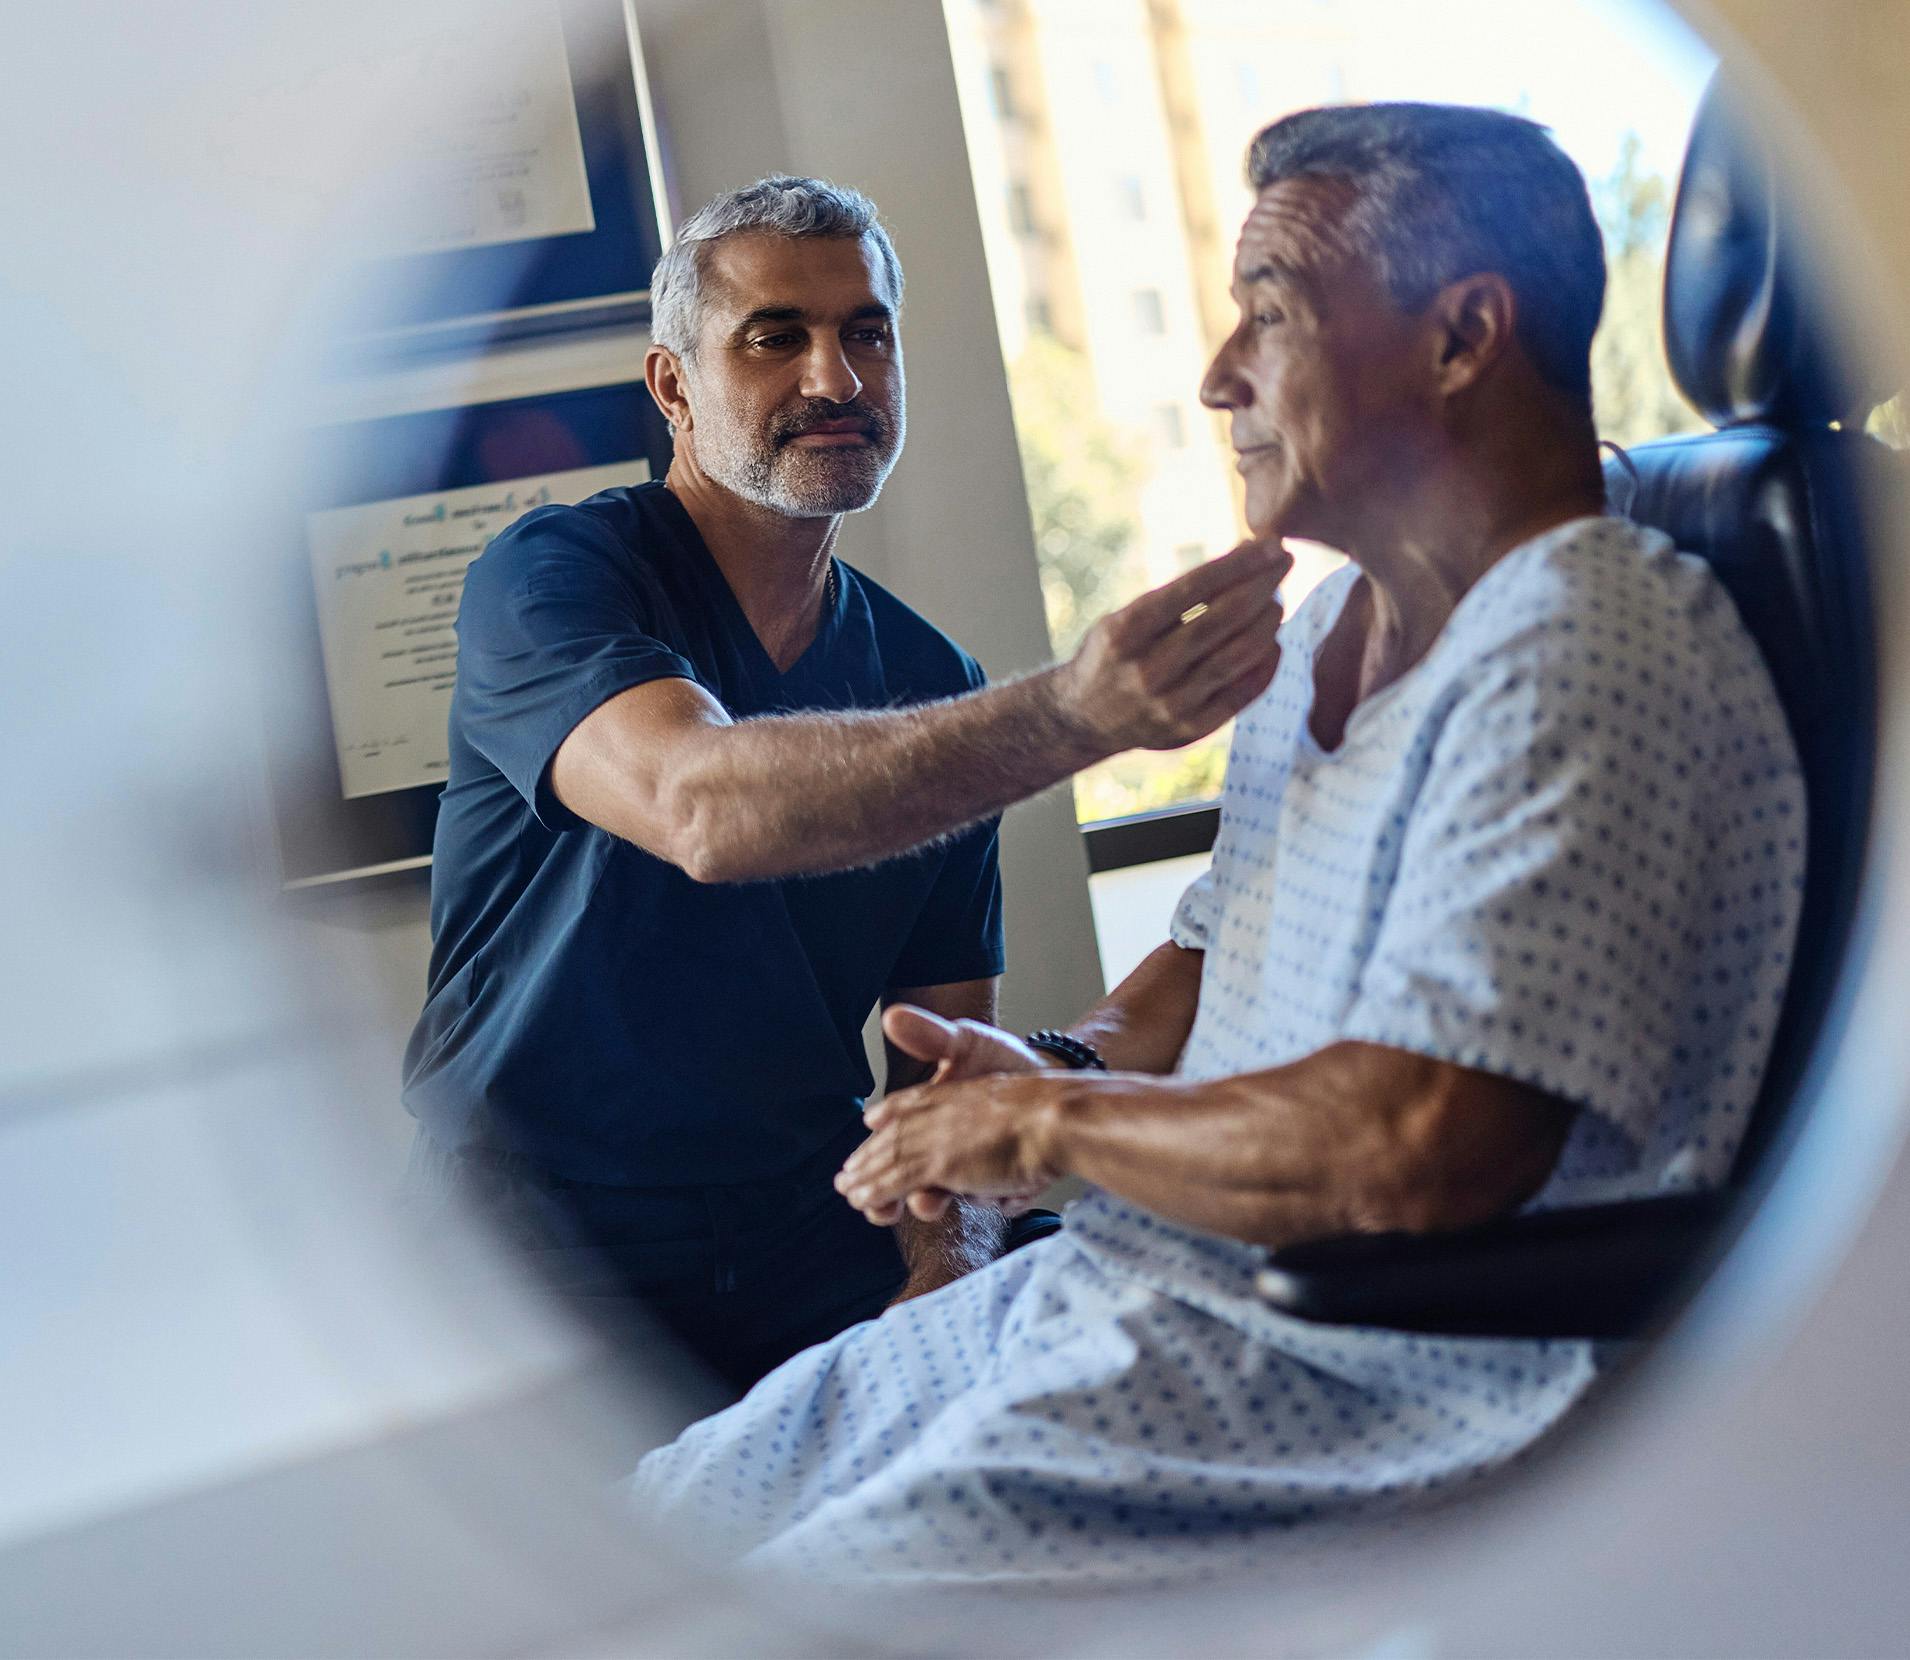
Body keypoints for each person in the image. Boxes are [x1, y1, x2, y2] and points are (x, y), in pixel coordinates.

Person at [630, 104, 1807, 1587]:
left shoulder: (1585, 636)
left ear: (1461, 336)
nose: (1215, 375)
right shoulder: (1327, 628)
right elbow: (1215, 961)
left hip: (1368, 1371)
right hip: (1140, 1284)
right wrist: (1046, 1065)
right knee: (648, 1525)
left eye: (1270, 313)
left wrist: (1048, 1130)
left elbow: (1419, 1145)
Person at [401, 176, 1285, 1394]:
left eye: (866, 333)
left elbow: (935, 1068)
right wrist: (1073, 713)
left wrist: (944, 1274)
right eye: (775, 338)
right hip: (534, 1246)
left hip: (810, 1229)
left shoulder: (931, 682)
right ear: (673, 387)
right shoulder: (554, 576)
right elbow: (702, 808)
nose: (836, 378)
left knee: (1148, 1334)